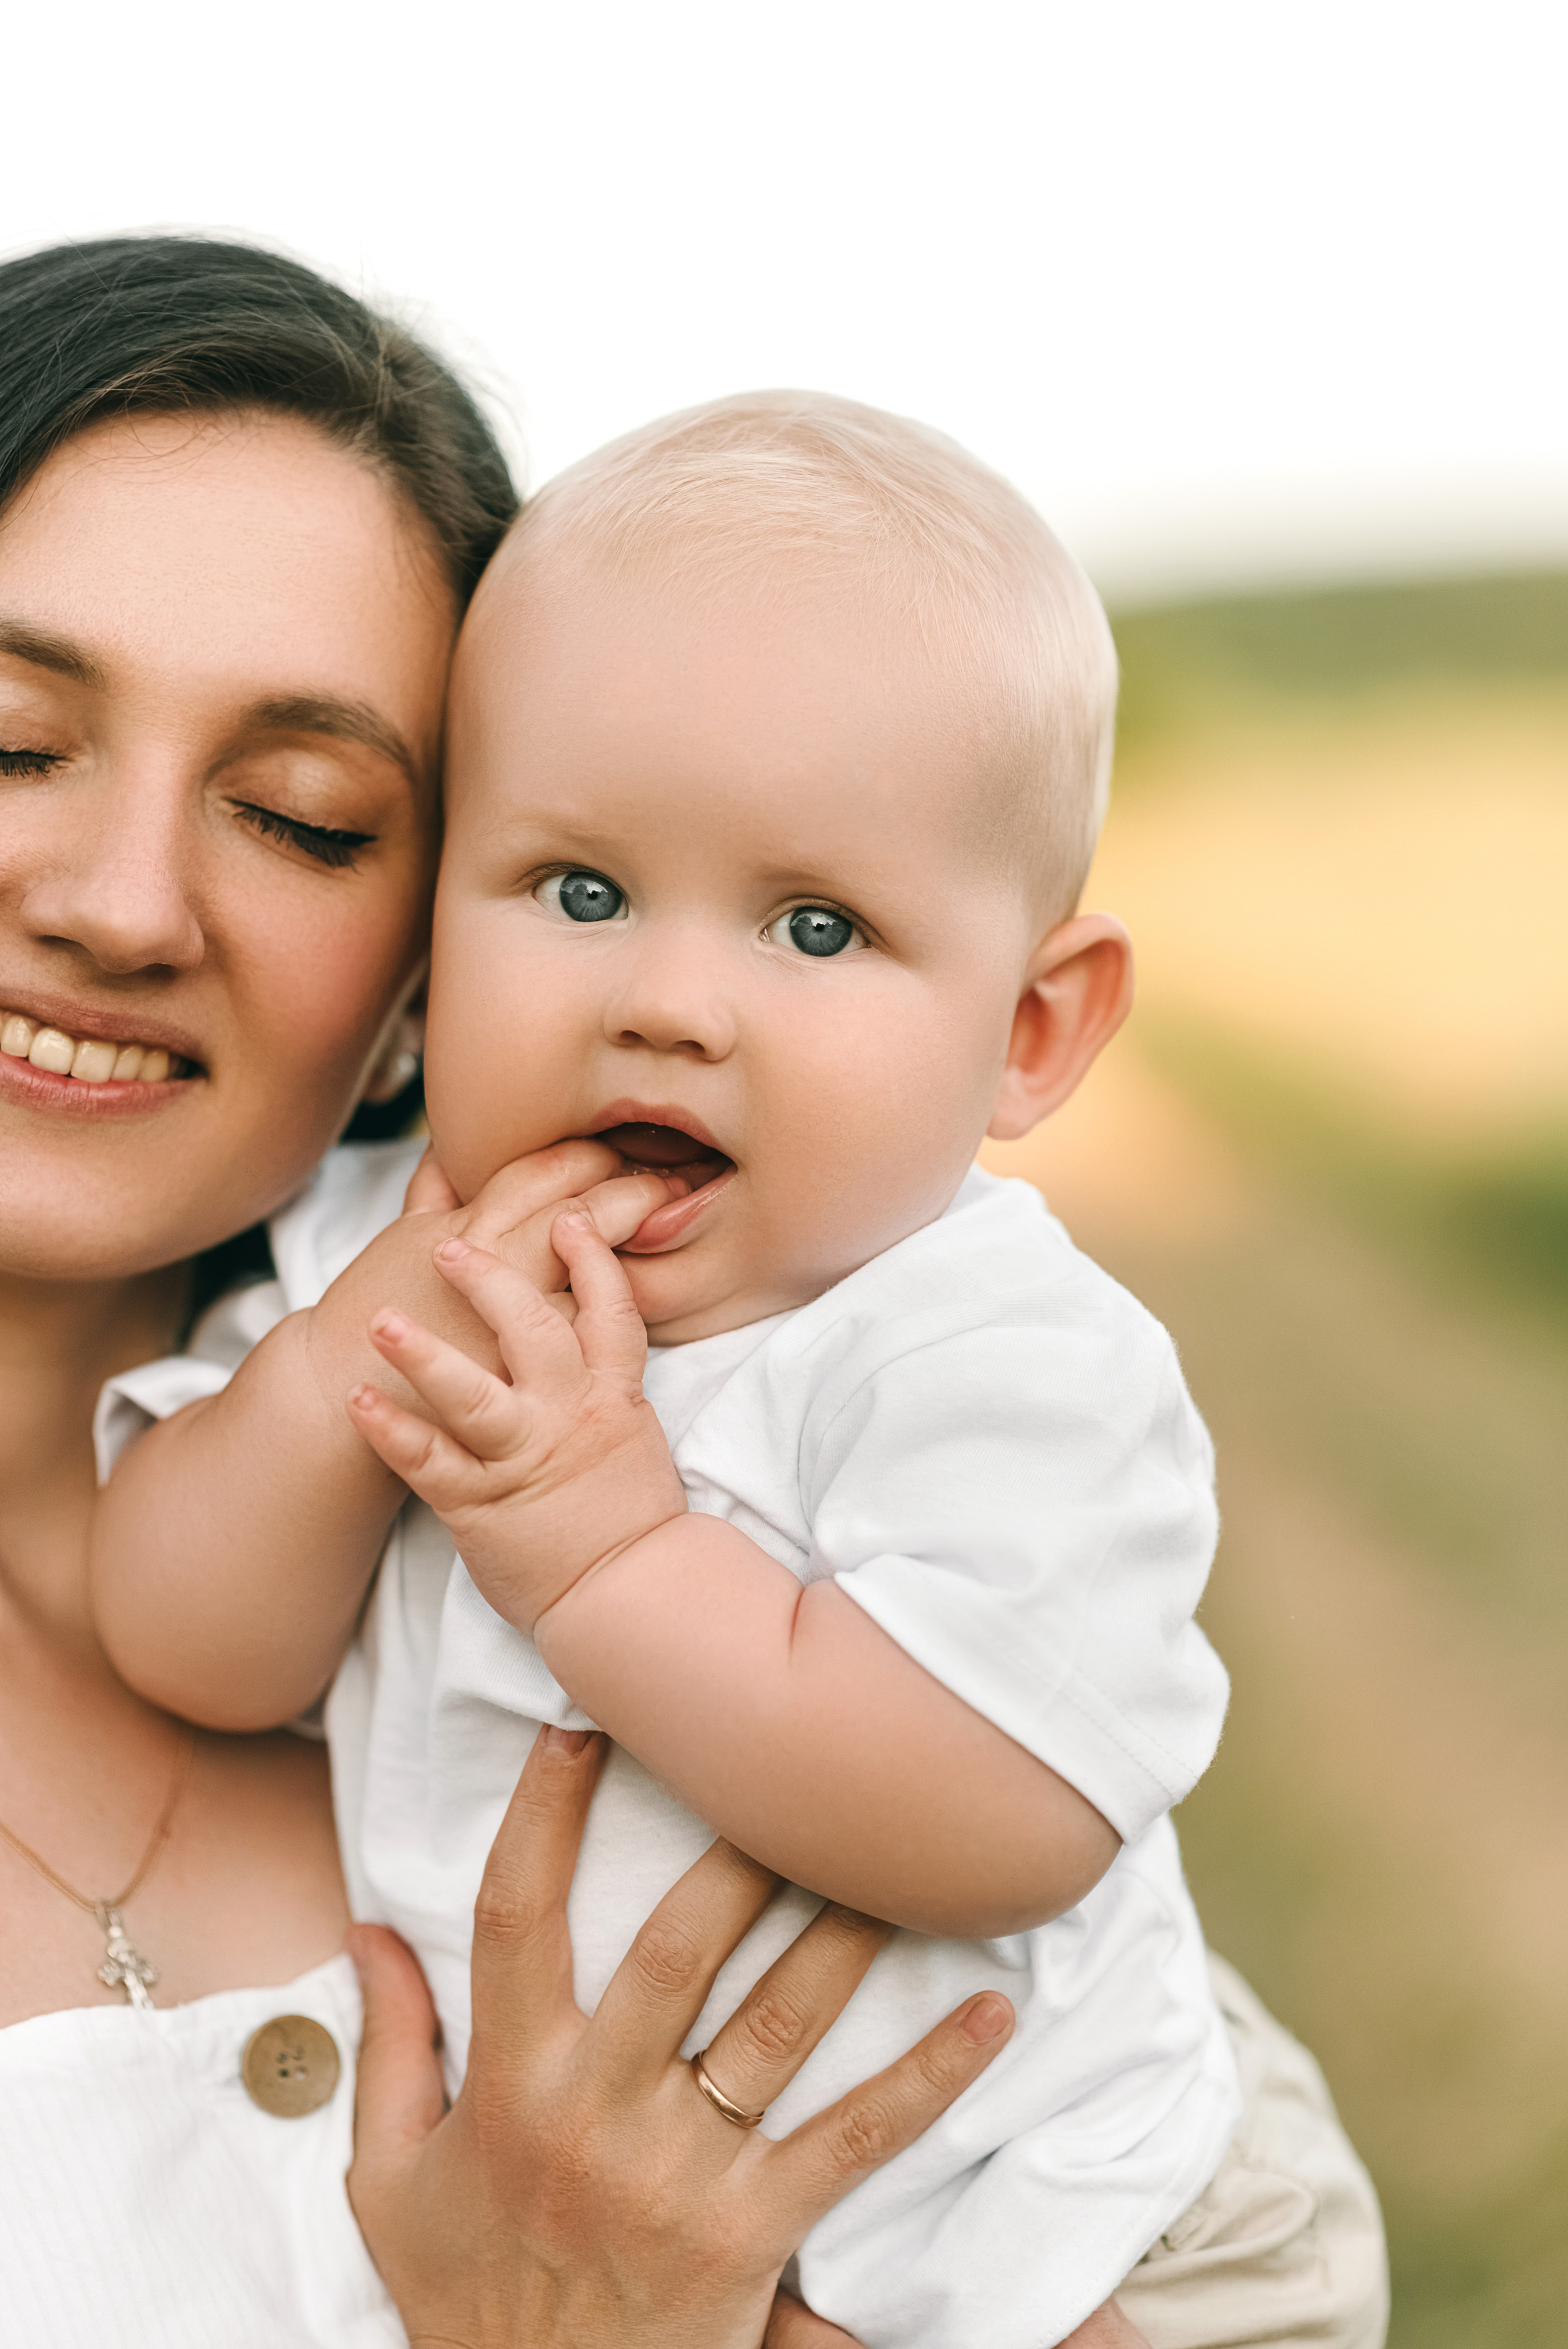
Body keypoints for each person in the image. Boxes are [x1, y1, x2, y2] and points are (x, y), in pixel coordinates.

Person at [94, 393, 1390, 2345]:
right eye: (581, 891)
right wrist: (363, 1343)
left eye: (816, 925)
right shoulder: (372, 1255)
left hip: (1079, 2242)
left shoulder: (981, 1353)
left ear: (1033, 1030)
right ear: (435, 945)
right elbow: (195, 1638)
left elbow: (1004, 1808)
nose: (671, 1004)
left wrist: (602, 1551)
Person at [0, 235, 1039, 2349]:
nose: (118, 905)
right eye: (11, 743)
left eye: (300, 817)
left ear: (430, 982)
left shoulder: (739, 1513)